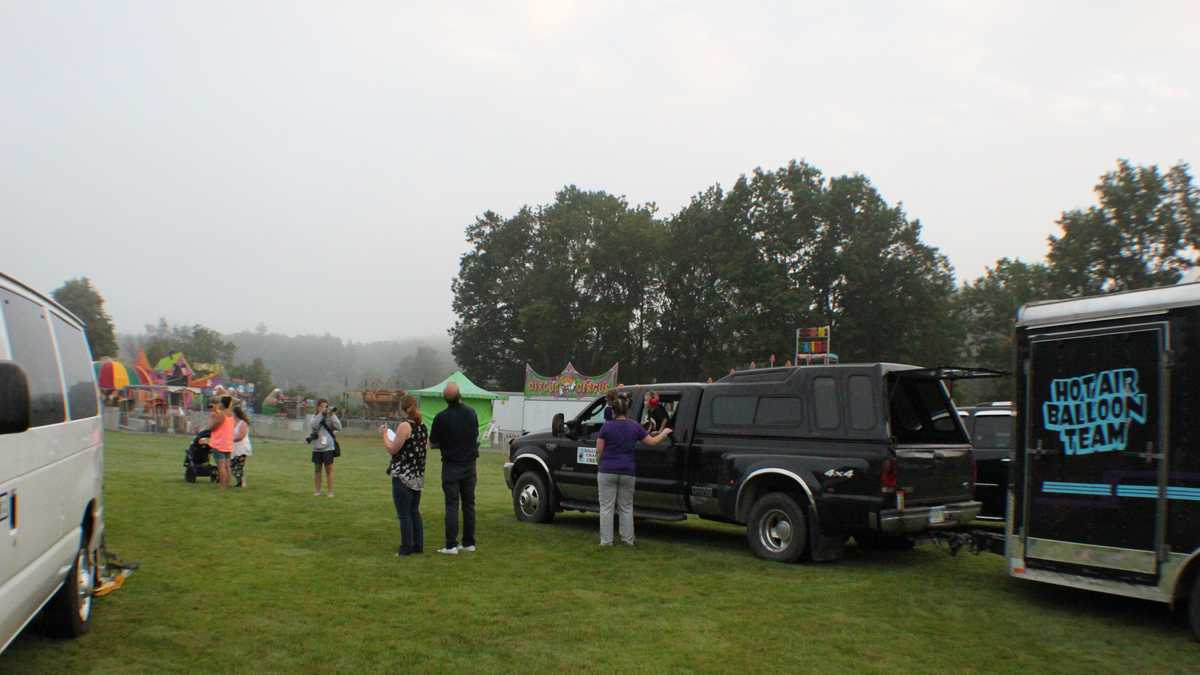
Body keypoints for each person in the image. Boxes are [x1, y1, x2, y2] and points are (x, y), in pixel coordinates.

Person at [596, 393, 672, 546]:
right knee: (626, 507)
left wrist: (600, 464)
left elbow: (599, 451)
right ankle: (628, 540)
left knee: (606, 508)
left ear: (613, 411)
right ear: (627, 411)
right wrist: (664, 433)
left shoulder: (606, 427)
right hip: (627, 471)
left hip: (607, 471)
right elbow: (651, 442)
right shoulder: (634, 426)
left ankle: (606, 541)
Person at [429, 383, 478, 555]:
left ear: (445, 399)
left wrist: (444, 443)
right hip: (470, 465)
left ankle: (451, 545)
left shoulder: (441, 417)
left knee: (451, 505)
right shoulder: (472, 413)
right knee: (469, 504)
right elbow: (474, 436)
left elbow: (433, 442)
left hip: (451, 465)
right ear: (460, 395)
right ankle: (469, 543)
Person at [381, 395, 428, 556]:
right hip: (417, 476)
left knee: (404, 514)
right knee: (414, 511)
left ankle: (406, 548)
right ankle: (418, 545)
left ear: (403, 408)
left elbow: (393, 449)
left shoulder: (404, 426)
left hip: (403, 476)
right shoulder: (422, 427)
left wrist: (385, 435)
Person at [309, 399, 341, 497]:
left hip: (328, 447)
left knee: (329, 470)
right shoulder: (314, 417)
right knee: (317, 470)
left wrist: (332, 415)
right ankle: (317, 491)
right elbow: (314, 425)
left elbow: (339, 427)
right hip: (317, 448)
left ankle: (330, 492)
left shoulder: (330, 417)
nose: (325, 408)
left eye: (326, 406)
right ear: (318, 407)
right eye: (322, 406)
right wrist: (321, 414)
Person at [207, 396, 234, 490]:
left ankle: (222, 486)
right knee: (227, 466)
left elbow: (212, 427)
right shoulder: (231, 414)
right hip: (227, 443)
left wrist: (211, 417)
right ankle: (227, 484)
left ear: (222, 404)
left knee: (221, 466)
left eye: (219, 403)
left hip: (219, 443)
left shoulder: (222, 415)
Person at [231, 405, 253, 488]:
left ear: (236, 413)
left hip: (242, 448)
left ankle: (241, 482)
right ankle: (239, 481)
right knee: (232, 465)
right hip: (234, 447)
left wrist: (230, 440)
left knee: (239, 465)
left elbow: (241, 436)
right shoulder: (233, 422)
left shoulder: (243, 423)